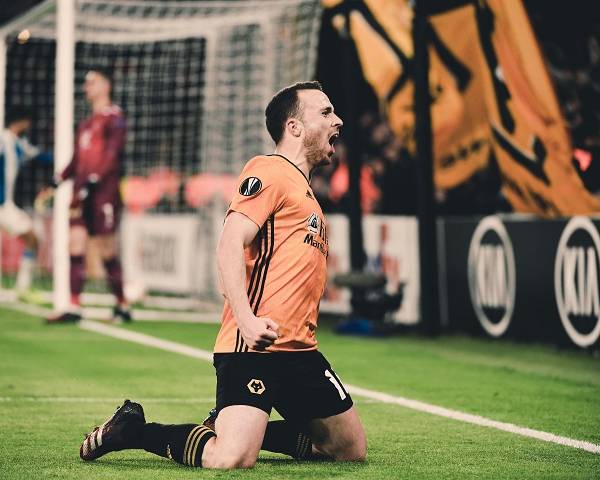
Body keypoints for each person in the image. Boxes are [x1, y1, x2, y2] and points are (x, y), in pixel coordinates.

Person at [78, 81, 367, 469]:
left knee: (348, 450)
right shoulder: (270, 170)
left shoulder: (305, 191)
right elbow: (230, 242)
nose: (338, 120)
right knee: (232, 457)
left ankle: (231, 427)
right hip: (256, 346)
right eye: (326, 112)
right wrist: (246, 320)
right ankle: (132, 431)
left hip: (300, 350)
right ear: (294, 126)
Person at [46, 67, 130, 323]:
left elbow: (112, 155)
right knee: (75, 242)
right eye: (86, 83)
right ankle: (74, 306)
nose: (87, 87)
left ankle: (122, 304)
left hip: (104, 192)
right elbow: (77, 160)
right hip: (80, 193)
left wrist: (96, 178)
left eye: (92, 82)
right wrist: (58, 179)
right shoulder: (86, 124)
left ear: (106, 85)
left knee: (107, 249)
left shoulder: (114, 118)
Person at [0, 106, 52, 299]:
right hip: (3, 206)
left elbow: (41, 156)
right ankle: (23, 287)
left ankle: (23, 287)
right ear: (21, 121)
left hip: (7, 205)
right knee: (33, 238)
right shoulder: (3, 140)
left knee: (33, 239)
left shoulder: (19, 144)